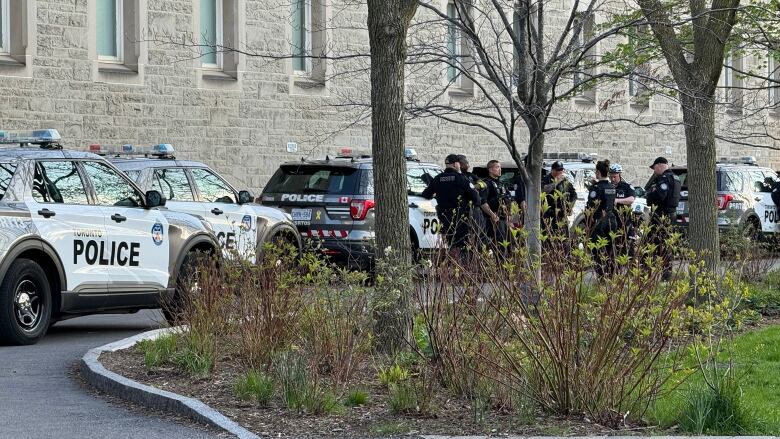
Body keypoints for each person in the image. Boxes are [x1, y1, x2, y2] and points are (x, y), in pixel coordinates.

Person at [421, 154, 483, 252]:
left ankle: (452, 262)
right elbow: (476, 198)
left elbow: (426, 194)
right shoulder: (461, 178)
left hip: (444, 217)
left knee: (449, 243)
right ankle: (461, 264)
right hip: (460, 217)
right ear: (455, 164)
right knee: (462, 245)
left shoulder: (437, 178)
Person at [645, 156, 681, 280]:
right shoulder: (676, 178)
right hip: (671, 215)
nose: (654, 171)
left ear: (660, 165)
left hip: (661, 216)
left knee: (649, 245)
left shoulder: (664, 179)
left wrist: (650, 194)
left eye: (654, 168)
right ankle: (666, 276)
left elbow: (659, 196)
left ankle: (646, 275)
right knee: (666, 245)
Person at [587, 159, 618, 276]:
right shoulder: (612, 187)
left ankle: (601, 275)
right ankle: (611, 274)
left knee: (598, 248)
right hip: (611, 219)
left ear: (598, 172)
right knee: (611, 248)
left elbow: (591, 207)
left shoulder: (596, 188)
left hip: (599, 221)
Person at [458, 155, 496, 246]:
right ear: (460, 165)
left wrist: (473, 187)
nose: (468, 165)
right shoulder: (456, 177)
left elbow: (483, 184)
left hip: (474, 208)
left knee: (479, 233)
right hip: (461, 209)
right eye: (466, 163)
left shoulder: (470, 176)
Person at [541, 161, 577, 236]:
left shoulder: (565, 182)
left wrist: (570, 207)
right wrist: (556, 181)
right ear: (552, 170)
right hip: (549, 215)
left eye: (561, 170)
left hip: (561, 215)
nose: (560, 172)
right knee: (549, 237)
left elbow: (574, 195)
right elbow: (543, 191)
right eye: (558, 170)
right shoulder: (546, 179)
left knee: (563, 238)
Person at [484, 160, 512, 246]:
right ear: (490, 169)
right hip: (493, 219)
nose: (500, 170)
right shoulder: (486, 183)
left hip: (504, 218)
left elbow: (507, 199)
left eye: (500, 167)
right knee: (498, 244)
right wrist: (492, 215)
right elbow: (483, 202)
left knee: (508, 243)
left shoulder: (501, 184)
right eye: (497, 167)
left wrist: (508, 215)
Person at [609, 163, 637, 242]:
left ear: (620, 175)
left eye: (615, 177)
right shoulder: (607, 186)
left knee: (628, 245)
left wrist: (617, 201)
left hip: (625, 220)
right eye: (611, 177)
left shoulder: (627, 186)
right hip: (611, 221)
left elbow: (631, 199)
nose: (613, 179)